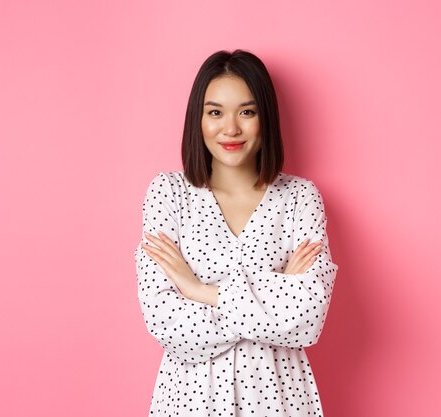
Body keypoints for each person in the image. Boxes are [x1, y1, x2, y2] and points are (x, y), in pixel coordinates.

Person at [134, 49, 339, 416]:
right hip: (190, 400)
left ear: (266, 117)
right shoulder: (168, 194)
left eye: (247, 112)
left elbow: (308, 319)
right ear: (198, 120)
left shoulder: (299, 198)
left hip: (279, 400)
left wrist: (200, 291)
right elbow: (165, 320)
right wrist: (273, 301)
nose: (231, 129)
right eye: (215, 112)